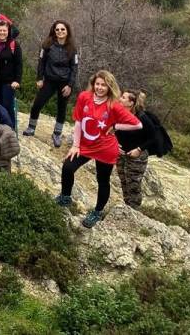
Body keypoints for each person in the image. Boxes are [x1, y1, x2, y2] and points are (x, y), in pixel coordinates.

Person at [56, 71, 142, 229]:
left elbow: (137, 124)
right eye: (97, 84)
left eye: (103, 85)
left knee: (103, 181)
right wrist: (76, 144)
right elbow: (78, 121)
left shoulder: (113, 104)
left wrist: (115, 126)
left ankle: (97, 211)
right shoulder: (84, 97)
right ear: (93, 84)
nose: (100, 87)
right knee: (68, 167)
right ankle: (65, 197)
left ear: (109, 87)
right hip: (85, 145)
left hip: (105, 148)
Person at [24, 20, 78, 148]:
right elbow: (41, 63)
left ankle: (57, 134)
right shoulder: (47, 45)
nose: (60, 31)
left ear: (67, 31)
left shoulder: (72, 48)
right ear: (54, 31)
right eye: (57, 29)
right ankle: (31, 127)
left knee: (62, 108)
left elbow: (74, 68)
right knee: (37, 104)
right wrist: (39, 78)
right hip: (49, 80)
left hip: (64, 83)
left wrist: (70, 85)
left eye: (62, 29)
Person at [116, 90, 161, 209]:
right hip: (121, 154)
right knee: (124, 182)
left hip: (137, 157)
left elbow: (153, 137)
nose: (120, 99)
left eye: (124, 98)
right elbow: (112, 131)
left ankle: (134, 212)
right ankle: (127, 208)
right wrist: (114, 144)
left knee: (133, 185)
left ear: (131, 103)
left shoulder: (142, 117)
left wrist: (139, 149)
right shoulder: (119, 113)